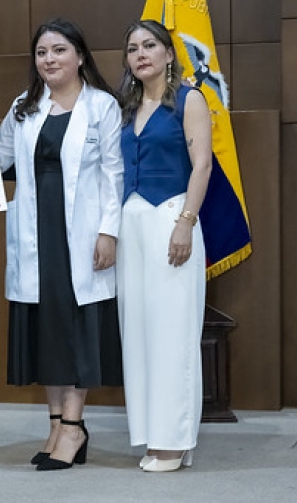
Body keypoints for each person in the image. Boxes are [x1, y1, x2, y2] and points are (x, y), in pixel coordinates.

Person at [0, 18, 123, 471]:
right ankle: (54, 424)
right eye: (42, 52)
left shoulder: (103, 106)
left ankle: (74, 425)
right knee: (44, 326)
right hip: (35, 230)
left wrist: (109, 231)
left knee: (77, 325)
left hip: (82, 233)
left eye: (59, 50)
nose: (49, 59)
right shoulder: (24, 106)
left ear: (80, 56)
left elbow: (113, 174)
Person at [116, 19, 212, 472]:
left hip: (172, 217)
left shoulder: (188, 99)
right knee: (139, 333)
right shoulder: (127, 106)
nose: (141, 54)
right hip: (132, 223)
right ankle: (156, 434)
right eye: (133, 48)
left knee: (173, 334)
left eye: (150, 45)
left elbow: (203, 165)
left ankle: (173, 441)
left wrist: (184, 224)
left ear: (169, 54)